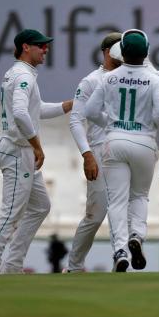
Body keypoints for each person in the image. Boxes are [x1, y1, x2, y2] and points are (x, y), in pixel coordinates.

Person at [0, 29, 72, 274]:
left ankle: (11, 265)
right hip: (17, 150)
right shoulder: (23, 75)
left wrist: (69, 106)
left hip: (21, 151)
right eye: (40, 46)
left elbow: (36, 109)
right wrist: (37, 146)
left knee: (41, 206)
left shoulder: (20, 74)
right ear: (25, 47)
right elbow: (21, 114)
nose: (46, 50)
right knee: (10, 213)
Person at [85, 29, 159, 272]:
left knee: (117, 200)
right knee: (140, 196)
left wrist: (112, 123)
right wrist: (147, 122)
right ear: (146, 52)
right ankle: (137, 236)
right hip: (144, 141)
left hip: (115, 140)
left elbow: (90, 112)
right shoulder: (154, 79)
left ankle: (120, 250)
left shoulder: (108, 78)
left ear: (121, 51)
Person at [65, 33, 123, 272]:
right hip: (99, 151)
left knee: (124, 212)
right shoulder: (90, 81)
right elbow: (76, 120)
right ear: (108, 52)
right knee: (96, 215)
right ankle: (75, 265)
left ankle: (122, 262)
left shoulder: (131, 77)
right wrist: (87, 154)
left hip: (124, 149)